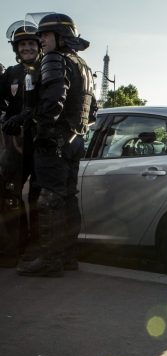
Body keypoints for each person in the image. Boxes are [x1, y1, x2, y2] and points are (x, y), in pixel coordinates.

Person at [16, 13, 96, 277]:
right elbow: (92, 110)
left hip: (54, 142)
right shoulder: (82, 63)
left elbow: (53, 99)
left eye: (45, 35)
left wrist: (43, 130)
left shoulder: (55, 59)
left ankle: (49, 261)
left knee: (49, 201)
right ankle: (67, 258)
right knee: (67, 199)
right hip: (76, 141)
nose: (41, 40)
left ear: (61, 37)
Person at [0, 21, 43, 264]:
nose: (26, 48)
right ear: (16, 49)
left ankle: (35, 249)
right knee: (11, 197)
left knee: (37, 197)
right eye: (22, 44)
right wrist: (5, 118)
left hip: (39, 143)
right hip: (15, 146)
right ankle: (14, 248)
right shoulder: (11, 73)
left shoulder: (48, 69)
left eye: (31, 43)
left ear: (38, 46)